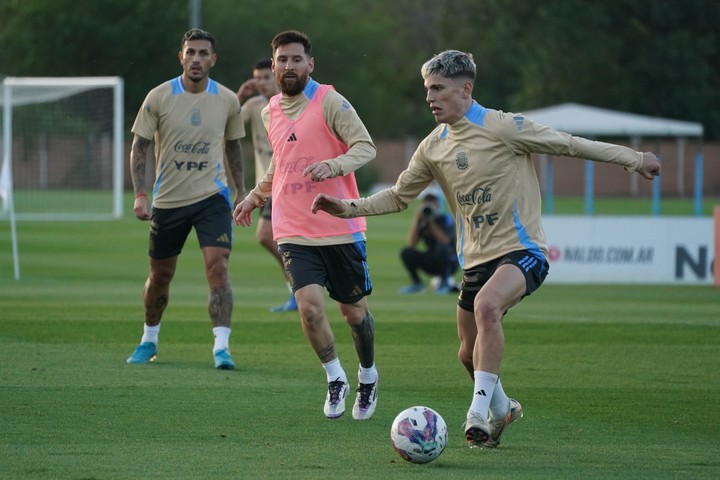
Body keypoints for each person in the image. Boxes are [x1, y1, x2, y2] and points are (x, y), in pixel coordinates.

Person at [311, 50, 661, 445]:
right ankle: (501, 408)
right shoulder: (432, 146)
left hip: (523, 250)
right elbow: (398, 196)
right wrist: (347, 208)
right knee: (467, 353)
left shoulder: (504, 127)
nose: (430, 97)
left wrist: (635, 159)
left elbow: (568, 144)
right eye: (427, 89)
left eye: (439, 89)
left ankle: (476, 413)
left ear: (466, 89)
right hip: (475, 260)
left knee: (487, 307)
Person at [233, 30, 379, 420]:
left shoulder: (329, 100)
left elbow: (365, 147)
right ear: (275, 64)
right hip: (292, 226)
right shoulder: (269, 112)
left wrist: (334, 165)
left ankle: (367, 375)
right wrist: (254, 196)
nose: (289, 66)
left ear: (310, 64)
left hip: (338, 224)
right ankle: (335, 377)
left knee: (354, 314)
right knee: (310, 309)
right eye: (282, 59)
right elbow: (282, 164)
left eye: (297, 59)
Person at [127, 28, 246, 370]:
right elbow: (140, 146)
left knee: (218, 267)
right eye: (190, 52)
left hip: (213, 198)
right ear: (181, 57)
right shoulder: (159, 97)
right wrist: (140, 193)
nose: (196, 58)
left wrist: (241, 191)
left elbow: (233, 146)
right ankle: (149, 340)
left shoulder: (226, 99)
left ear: (213, 59)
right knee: (160, 275)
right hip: (168, 200)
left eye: (202, 53)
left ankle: (221, 348)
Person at [237, 59, 297, 312]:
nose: (260, 83)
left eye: (265, 77)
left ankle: (300, 287)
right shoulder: (253, 106)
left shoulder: (289, 106)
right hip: (266, 186)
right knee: (272, 238)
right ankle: (299, 288)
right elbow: (227, 128)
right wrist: (239, 96)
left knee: (267, 236)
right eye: (257, 78)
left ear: (276, 76)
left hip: (287, 183)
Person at [398, 192, 458, 295]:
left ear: (438, 206)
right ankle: (417, 284)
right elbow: (411, 244)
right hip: (432, 259)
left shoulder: (445, 219)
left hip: (450, 261)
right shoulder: (422, 221)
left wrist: (431, 223)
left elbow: (445, 241)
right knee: (406, 252)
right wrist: (417, 221)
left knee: (442, 247)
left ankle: (445, 283)